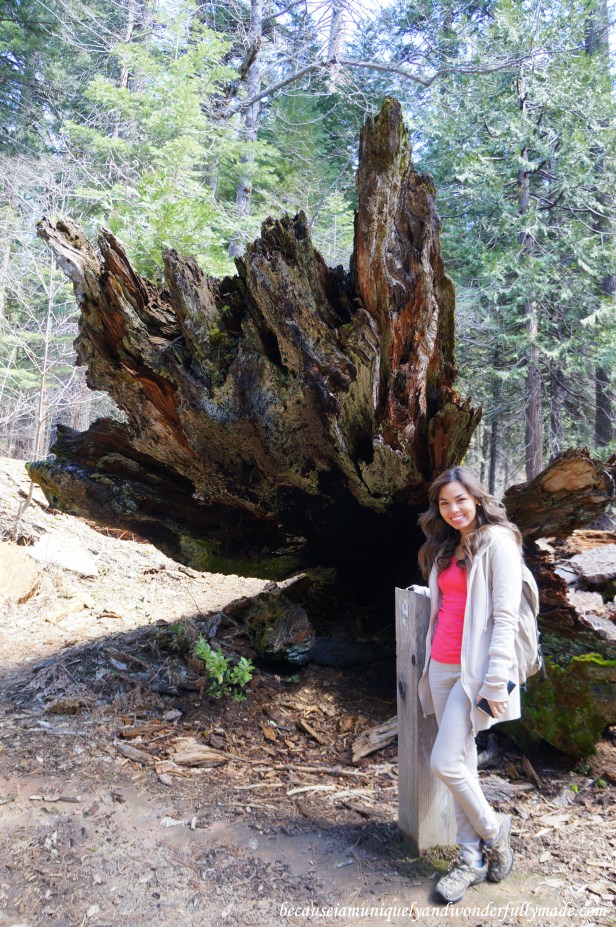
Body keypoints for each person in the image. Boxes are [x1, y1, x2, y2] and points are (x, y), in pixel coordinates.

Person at [416, 466, 524, 904]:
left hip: (472, 673)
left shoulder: (499, 543)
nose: (453, 509)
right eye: (444, 503)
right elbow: (451, 602)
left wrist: (495, 682)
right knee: (462, 763)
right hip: (440, 666)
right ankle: (471, 860)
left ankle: (494, 833)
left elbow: (505, 617)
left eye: (460, 499)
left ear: (477, 498)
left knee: (444, 763)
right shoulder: (448, 547)